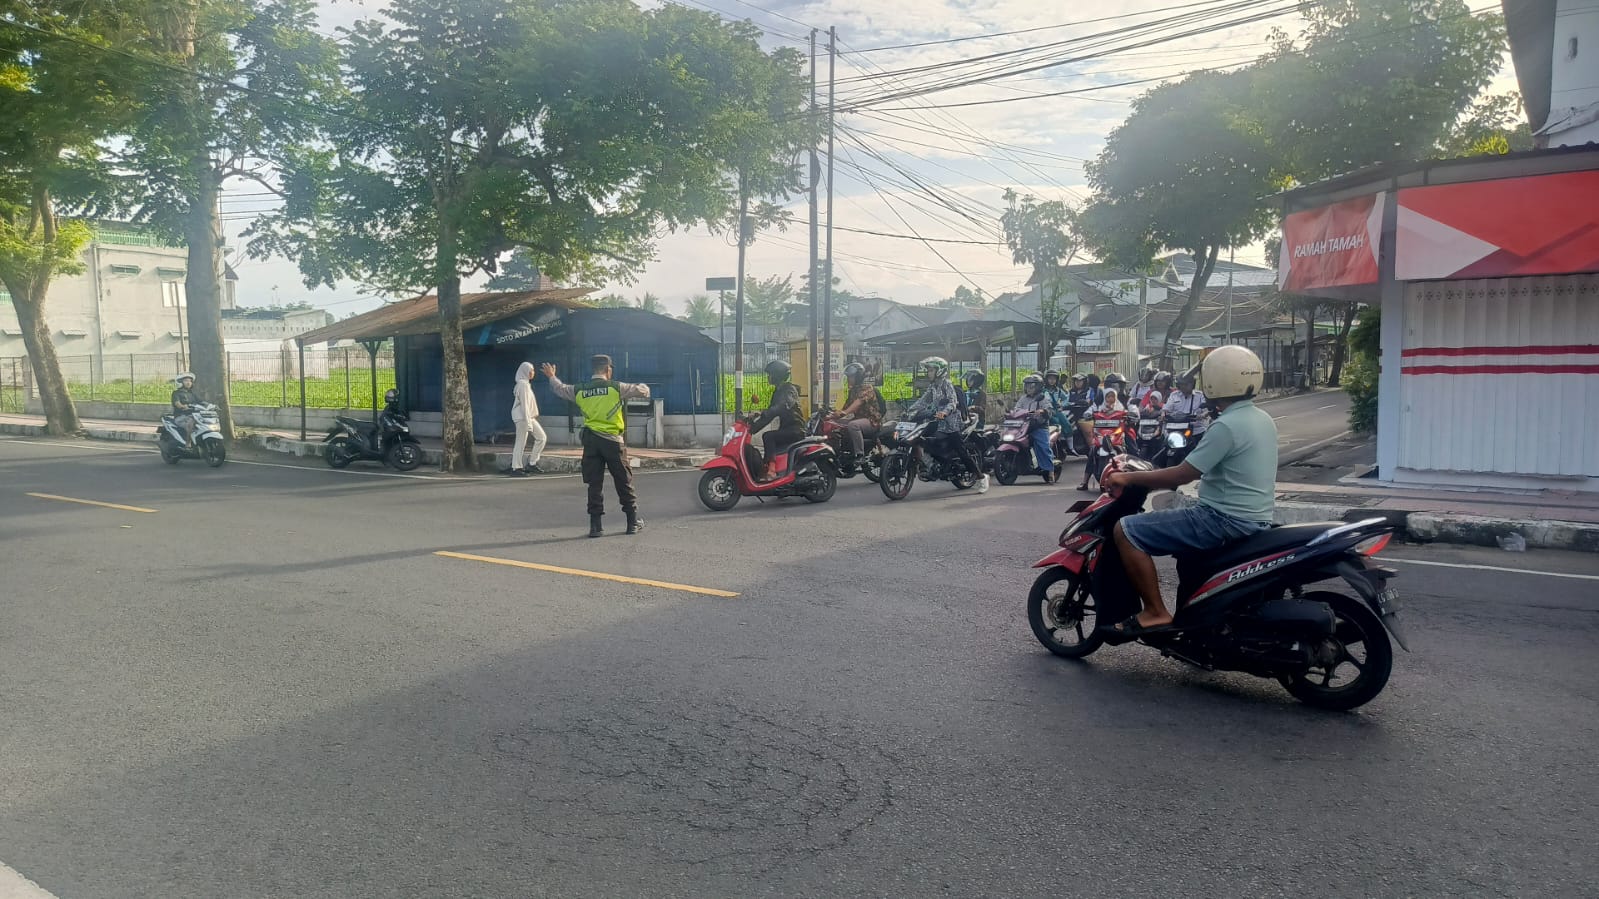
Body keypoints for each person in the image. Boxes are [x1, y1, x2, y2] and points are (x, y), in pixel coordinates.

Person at [1100, 346, 1277, 636]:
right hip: (1255, 517)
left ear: (1216, 381)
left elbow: (1183, 474)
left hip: (1221, 519)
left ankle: (1155, 612)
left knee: (1126, 530)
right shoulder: (1262, 419)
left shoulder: (1226, 426)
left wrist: (1127, 478)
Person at [543, 356, 650, 537]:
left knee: (594, 484)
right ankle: (632, 523)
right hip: (613, 442)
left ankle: (595, 527)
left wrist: (552, 376)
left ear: (593, 370)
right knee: (623, 480)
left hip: (591, 442)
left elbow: (560, 389)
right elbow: (643, 391)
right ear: (608, 370)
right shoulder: (616, 387)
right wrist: (643, 386)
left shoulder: (580, 390)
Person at [907, 356, 988, 493]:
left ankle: (981, 477)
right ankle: (932, 465)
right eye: (928, 370)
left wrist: (944, 412)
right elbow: (923, 401)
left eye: (931, 370)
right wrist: (909, 410)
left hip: (952, 424)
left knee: (961, 451)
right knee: (922, 438)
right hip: (938, 423)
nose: (928, 373)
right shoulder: (933, 386)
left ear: (939, 371)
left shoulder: (947, 384)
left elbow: (952, 401)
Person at [748, 359, 805, 481]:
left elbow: (782, 406)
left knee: (768, 436)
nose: (768, 377)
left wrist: (765, 412)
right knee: (769, 437)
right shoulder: (778, 392)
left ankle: (772, 470)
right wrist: (752, 428)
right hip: (786, 429)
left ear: (777, 375)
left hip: (796, 430)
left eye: (770, 374)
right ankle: (766, 468)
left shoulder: (789, 390)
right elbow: (770, 415)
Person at [1009, 373, 1057, 483]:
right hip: (1024, 426)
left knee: (1043, 447)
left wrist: (1043, 411)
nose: (1029, 388)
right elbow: (1017, 408)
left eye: (1032, 386)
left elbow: (1049, 410)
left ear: (1038, 387)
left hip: (1038, 426)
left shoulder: (1043, 398)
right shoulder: (1023, 398)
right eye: (1027, 386)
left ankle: (1050, 471)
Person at [835, 362, 885, 462]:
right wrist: (831, 416)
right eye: (848, 377)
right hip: (859, 420)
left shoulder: (867, 388)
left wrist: (845, 412)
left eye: (851, 377)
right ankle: (843, 452)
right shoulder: (853, 391)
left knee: (853, 425)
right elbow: (846, 407)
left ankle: (859, 454)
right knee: (837, 425)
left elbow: (857, 403)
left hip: (872, 421)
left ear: (858, 377)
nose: (848, 379)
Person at [1078, 387, 1127, 490]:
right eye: (1108, 396)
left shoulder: (1120, 407)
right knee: (1092, 452)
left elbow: (1128, 413)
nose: (1110, 399)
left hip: (1115, 436)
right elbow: (1089, 411)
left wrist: (1130, 415)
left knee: (1126, 453)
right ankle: (1085, 481)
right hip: (1101, 434)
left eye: (1112, 396)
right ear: (1104, 397)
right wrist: (1087, 414)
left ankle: (1128, 478)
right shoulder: (1097, 406)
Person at [507, 361, 547, 476]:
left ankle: (532, 463)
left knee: (541, 437)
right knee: (521, 442)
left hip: (528, 417)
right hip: (523, 417)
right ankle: (516, 467)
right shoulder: (522, 385)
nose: (533, 372)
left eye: (533, 370)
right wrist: (528, 422)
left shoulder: (525, 384)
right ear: (525, 371)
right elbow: (524, 405)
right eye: (531, 370)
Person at [1164, 372, 1209, 446]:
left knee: (1203, 445)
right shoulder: (1174, 395)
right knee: (1163, 444)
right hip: (1175, 429)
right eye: (1181, 384)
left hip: (1196, 430)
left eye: (1186, 384)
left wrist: (1203, 415)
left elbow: (1206, 409)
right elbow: (1167, 408)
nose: (1183, 386)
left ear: (1192, 384)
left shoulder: (1200, 395)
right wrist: (1163, 414)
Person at [170, 371, 200, 445]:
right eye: (186, 380)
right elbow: (177, 403)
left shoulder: (192, 394)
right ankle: (188, 443)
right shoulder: (176, 393)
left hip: (194, 416)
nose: (188, 383)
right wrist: (183, 406)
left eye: (190, 381)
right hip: (180, 417)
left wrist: (211, 405)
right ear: (180, 382)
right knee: (191, 422)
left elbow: (200, 401)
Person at [1042, 369, 1072, 433]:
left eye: (1054, 379)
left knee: (1067, 425)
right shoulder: (1042, 391)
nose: (1052, 380)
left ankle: (1069, 439)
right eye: (1050, 378)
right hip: (1046, 412)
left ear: (1057, 380)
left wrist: (1062, 405)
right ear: (1046, 379)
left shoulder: (1058, 390)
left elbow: (1066, 398)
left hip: (1056, 411)